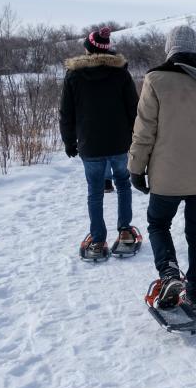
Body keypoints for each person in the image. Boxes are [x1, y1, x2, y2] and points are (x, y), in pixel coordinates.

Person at [129, 25, 196, 310]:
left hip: (167, 176)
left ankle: (169, 274)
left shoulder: (156, 79)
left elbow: (144, 131)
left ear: (170, 48)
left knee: (158, 223)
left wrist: (136, 169)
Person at [59, 27, 140, 260]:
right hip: (120, 143)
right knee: (123, 184)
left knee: (94, 192)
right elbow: (133, 109)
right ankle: (125, 232)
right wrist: (137, 138)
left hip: (90, 145)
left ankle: (97, 241)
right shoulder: (121, 74)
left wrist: (69, 141)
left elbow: (66, 113)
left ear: (88, 48)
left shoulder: (73, 75)